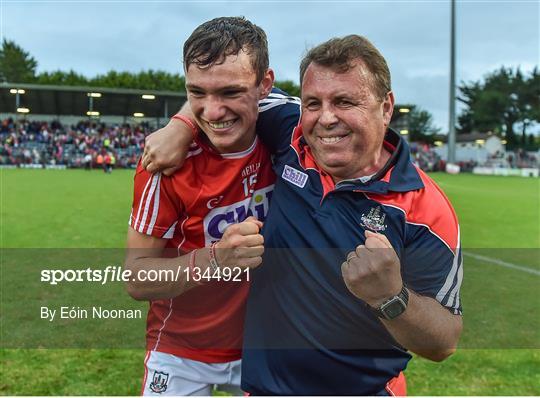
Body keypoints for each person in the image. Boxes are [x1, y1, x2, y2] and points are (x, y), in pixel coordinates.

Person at [144, 35, 463, 395]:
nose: (326, 118)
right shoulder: (291, 132)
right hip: (266, 389)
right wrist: (181, 125)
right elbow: (224, 90)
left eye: (344, 101)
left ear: (385, 107)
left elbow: (443, 343)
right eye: (313, 103)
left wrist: (391, 296)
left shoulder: (425, 210)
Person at [125, 17, 296, 396]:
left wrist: (182, 120)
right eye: (196, 93)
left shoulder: (292, 138)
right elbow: (136, 278)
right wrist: (217, 258)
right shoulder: (165, 165)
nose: (213, 112)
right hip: (180, 349)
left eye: (231, 92)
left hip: (263, 344)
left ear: (264, 85)